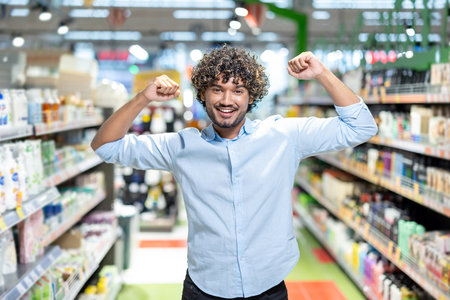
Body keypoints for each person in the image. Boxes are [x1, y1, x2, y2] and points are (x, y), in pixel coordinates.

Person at [91, 45, 378, 300]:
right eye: (217, 88)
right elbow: (105, 146)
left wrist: (322, 73)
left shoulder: (284, 136)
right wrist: (143, 98)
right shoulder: (180, 146)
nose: (226, 99)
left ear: (251, 96)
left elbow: (362, 126)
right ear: (203, 93)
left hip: (268, 287)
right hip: (204, 288)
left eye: (238, 90)